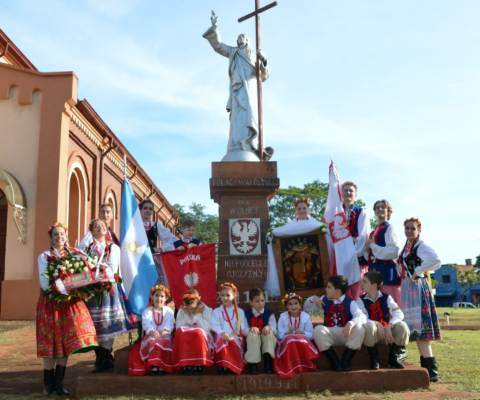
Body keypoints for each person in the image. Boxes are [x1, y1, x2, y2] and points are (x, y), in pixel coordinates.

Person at [37, 222, 98, 396]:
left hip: (69, 303)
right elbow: (45, 283)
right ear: (50, 237)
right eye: (56, 234)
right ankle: (48, 384)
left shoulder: (76, 255)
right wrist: (68, 283)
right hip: (50, 303)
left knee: (65, 341)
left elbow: (87, 276)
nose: (59, 237)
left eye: (62, 234)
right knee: (50, 342)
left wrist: (78, 284)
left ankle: (59, 383)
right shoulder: (44, 256)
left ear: (66, 236)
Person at [203, 11, 269, 160]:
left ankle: (251, 144)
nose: (239, 39)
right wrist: (215, 27)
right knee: (237, 118)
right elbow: (219, 46)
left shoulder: (253, 54)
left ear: (247, 40)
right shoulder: (234, 52)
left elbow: (263, 75)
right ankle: (237, 145)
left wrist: (263, 59)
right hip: (237, 90)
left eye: (242, 37)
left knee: (250, 115)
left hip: (250, 89)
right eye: (238, 37)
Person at [83, 219, 136, 372]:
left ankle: (100, 362)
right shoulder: (85, 247)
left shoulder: (113, 248)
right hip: (91, 291)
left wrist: (93, 274)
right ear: (91, 230)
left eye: (103, 226)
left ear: (106, 230)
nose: (100, 228)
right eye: (96, 226)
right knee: (94, 325)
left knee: (108, 323)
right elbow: (83, 268)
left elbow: (111, 269)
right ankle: (104, 359)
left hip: (108, 290)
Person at [398, 218, 441, 382]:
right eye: (407, 228)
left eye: (413, 228)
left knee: (421, 328)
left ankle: (432, 371)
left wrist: (419, 271)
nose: (409, 231)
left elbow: (436, 260)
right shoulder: (408, 246)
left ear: (419, 230)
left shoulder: (420, 246)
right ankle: (427, 369)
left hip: (417, 288)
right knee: (416, 331)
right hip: (408, 288)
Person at [135, 198, 177, 342]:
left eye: (150, 209)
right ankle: (142, 332)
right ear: (140, 210)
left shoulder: (156, 226)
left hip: (153, 262)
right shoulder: (133, 226)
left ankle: (161, 328)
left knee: (156, 294)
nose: (147, 211)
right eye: (145, 208)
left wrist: (160, 248)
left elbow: (172, 241)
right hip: (138, 263)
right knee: (140, 296)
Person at [304, 275, 366, 372]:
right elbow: (307, 308)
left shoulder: (350, 302)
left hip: (346, 334)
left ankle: (346, 360)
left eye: (329, 287)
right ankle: (334, 361)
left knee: (360, 329)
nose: (326, 289)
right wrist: (313, 298)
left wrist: (351, 323)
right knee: (318, 329)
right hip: (329, 334)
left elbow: (361, 316)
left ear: (337, 291)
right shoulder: (323, 299)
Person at [265, 197, 324, 297]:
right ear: (295, 210)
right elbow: (279, 232)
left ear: (308, 209)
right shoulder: (289, 226)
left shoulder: (317, 225)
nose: (302, 211)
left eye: (304, 208)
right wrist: (271, 235)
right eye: (299, 209)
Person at [357, 271, 409, 370]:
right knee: (369, 325)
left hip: (386, 334)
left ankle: (393, 357)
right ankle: (374, 359)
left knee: (402, 326)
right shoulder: (360, 300)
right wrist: (377, 324)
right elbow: (362, 318)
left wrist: (390, 325)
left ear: (374, 285)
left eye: (364, 282)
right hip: (371, 334)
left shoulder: (387, 297)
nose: (361, 284)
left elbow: (399, 313)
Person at [128, 285, 175, 376]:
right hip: (151, 334)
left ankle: (162, 365)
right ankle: (154, 365)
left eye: (162, 296)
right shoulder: (147, 311)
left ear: (166, 298)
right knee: (153, 341)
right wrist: (152, 331)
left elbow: (169, 323)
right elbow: (146, 324)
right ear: (152, 297)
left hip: (165, 334)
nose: (159, 298)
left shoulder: (169, 311)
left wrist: (166, 330)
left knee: (165, 340)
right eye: (157, 295)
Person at [274, 293, 320, 379]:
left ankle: (307, 364)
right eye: (290, 304)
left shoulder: (306, 317)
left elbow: (310, 334)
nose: (293, 306)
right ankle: (292, 365)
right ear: (286, 306)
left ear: (300, 304)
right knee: (290, 338)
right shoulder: (283, 317)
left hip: (301, 340)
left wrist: (302, 333)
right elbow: (279, 335)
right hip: (287, 342)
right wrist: (287, 333)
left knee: (300, 339)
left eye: (296, 303)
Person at [365, 200, 401, 305]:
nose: (379, 209)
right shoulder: (374, 231)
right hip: (374, 270)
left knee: (389, 302)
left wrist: (373, 246)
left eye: (382, 207)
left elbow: (393, 251)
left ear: (388, 211)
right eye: (377, 207)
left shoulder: (389, 228)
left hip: (386, 271)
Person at [171, 289, 214, 375]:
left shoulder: (207, 310)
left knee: (198, 332)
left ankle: (198, 364)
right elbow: (179, 327)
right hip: (187, 336)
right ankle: (184, 364)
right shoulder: (182, 310)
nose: (191, 311)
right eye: (188, 309)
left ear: (198, 302)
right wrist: (186, 315)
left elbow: (207, 328)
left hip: (201, 335)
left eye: (193, 308)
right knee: (181, 332)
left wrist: (197, 315)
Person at [211, 282, 249, 375]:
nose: (225, 298)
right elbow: (214, 325)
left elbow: (242, 327)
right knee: (222, 341)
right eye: (222, 295)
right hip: (221, 335)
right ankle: (222, 366)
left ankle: (232, 366)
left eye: (228, 295)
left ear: (234, 295)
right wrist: (222, 332)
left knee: (232, 341)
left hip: (234, 336)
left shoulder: (239, 311)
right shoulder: (217, 311)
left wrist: (240, 332)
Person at [341, 181, 369, 299]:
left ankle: (361, 316)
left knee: (358, 290)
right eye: (345, 190)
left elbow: (362, 236)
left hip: (356, 258)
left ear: (355, 194)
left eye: (350, 190)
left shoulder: (361, 212)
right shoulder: (337, 213)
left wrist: (351, 253)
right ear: (341, 193)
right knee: (342, 288)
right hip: (341, 259)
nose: (348, 192)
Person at [244, 287, 277, 374]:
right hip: (253, 340)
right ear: (251, 302)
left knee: (269, 334)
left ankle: (268, 362)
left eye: (262, 300)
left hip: (265, 339)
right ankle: (252, 364)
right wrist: (250, 329)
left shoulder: (269, 313)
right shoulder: (246, 314)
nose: (260, 303)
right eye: (257, 301)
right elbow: (243, 330)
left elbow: (275, 330)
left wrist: (269, 327)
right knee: (253, 334)